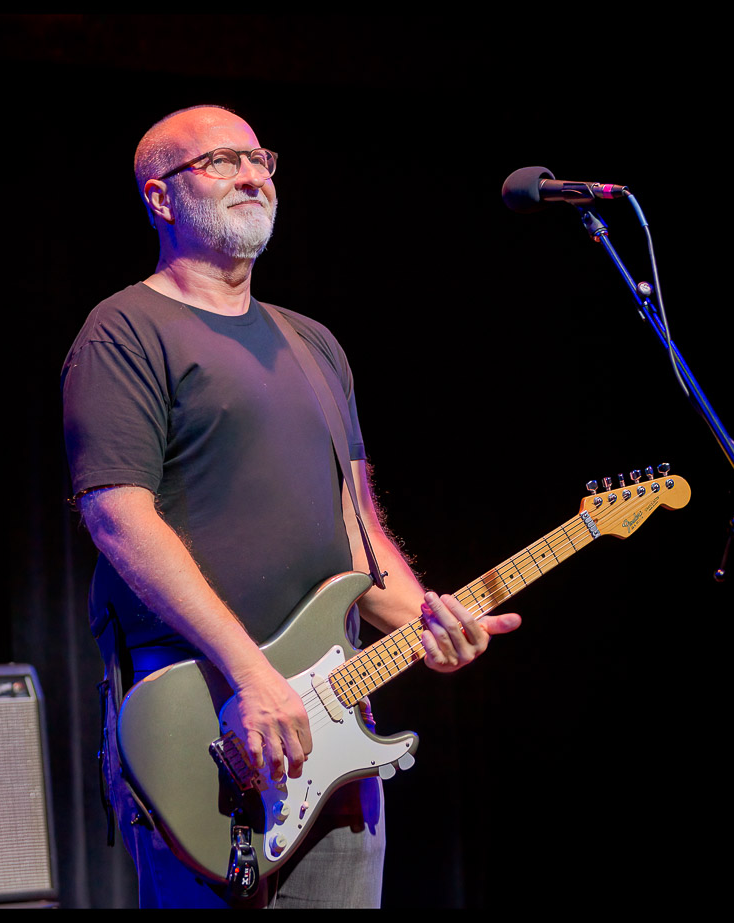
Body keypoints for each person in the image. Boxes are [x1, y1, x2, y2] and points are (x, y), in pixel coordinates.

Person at [61, 104, 521, 908]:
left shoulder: (314, 342)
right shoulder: (124, 329)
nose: (253, 176)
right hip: (208, 725)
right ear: (161, 198)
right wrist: (251, 672)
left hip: (332, 733)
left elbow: (359, 533)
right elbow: (118, 518)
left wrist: (426, 622)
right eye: (222, 161)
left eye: (262, 159)